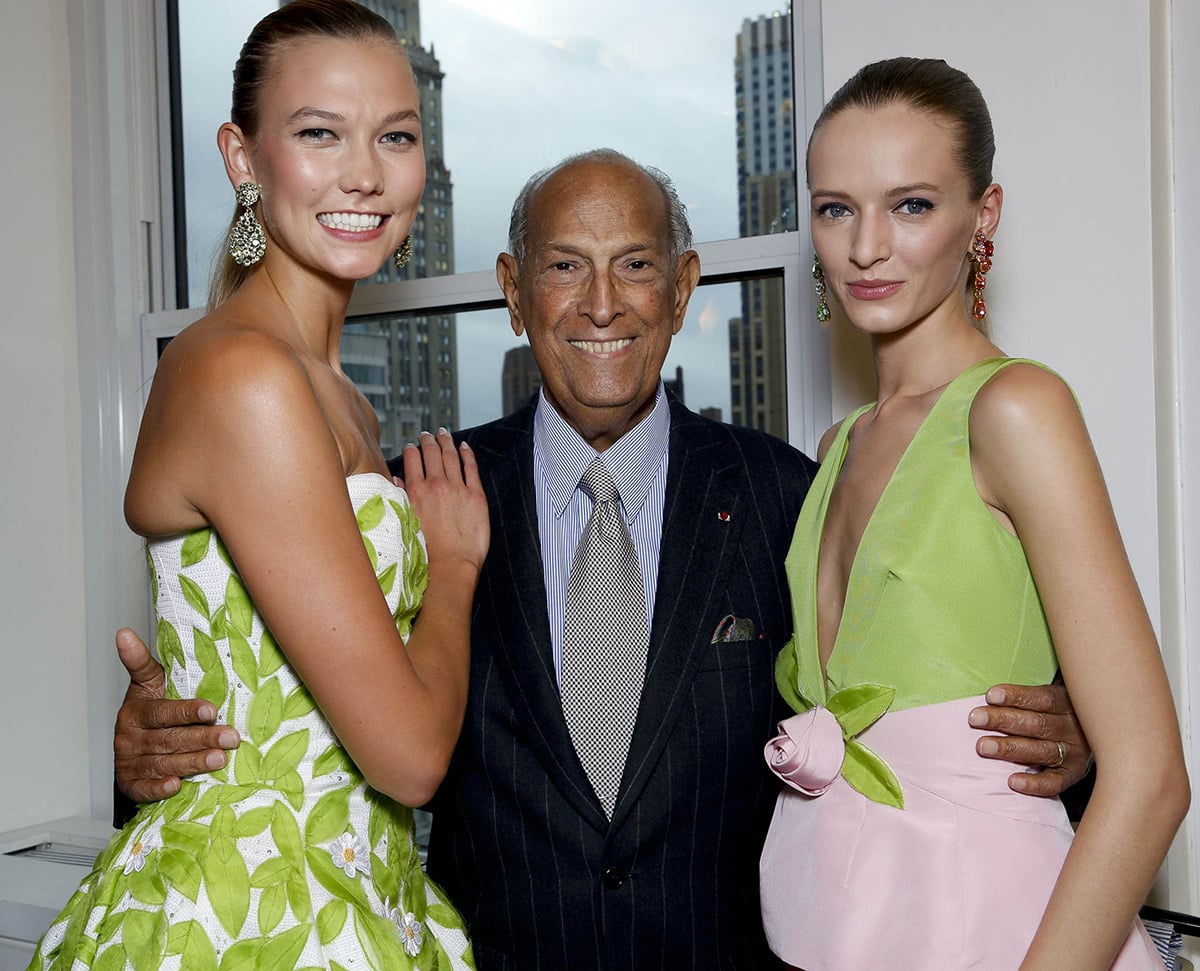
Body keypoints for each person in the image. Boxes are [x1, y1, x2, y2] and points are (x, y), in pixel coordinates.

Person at [112, 149, 1094, 969]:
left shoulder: (787, 495)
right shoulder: (413, 504)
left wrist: (1069, 745)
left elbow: (896, 724)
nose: (600, 304)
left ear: (682, 289)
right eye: (564, 266)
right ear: (510, 290)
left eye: (633, 265)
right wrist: (161, 741)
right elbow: (302, 721)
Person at [32, 3, 486, 969]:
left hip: (349, 892)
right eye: (320, 133)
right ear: (243, 158)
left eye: (395, 136)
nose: (365, 172)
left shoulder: (335, 395)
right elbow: (408, 757)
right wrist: (450, 567)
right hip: (249, 914)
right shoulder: (246, 377)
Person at [759, 57, 1189, 970]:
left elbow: (1150, 776)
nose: (866, 246)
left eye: (911, 204)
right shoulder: (839, 446)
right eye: (836, 208)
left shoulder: (1015, 409)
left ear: (981, 215)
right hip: (841, 928)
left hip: (1003, 936)